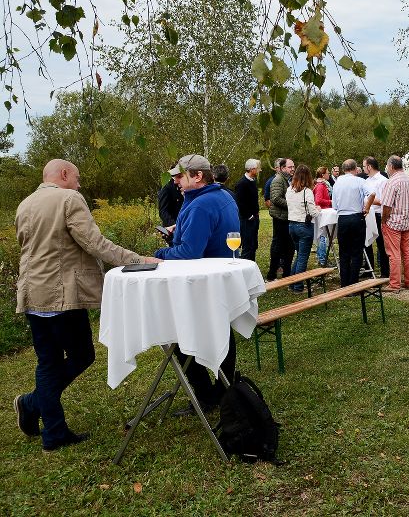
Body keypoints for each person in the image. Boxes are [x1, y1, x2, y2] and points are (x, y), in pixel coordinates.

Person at [13, 159, 159, 452]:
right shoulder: (69, 198)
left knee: (48, 362)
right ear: (64, 174)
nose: (79, 185)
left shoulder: (25, 204)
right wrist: (140, 260)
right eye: (77, 178)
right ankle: (32, 404)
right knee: (82, 355)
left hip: (31, 294)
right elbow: (95, 244)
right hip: (62, 295)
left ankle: (51, 430)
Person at [154, 154, 241, 414]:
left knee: (177, 338)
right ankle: (223, 391)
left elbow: (188, 252)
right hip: (219, 279)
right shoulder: (222, 196)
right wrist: (179, 232)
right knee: (222, 332)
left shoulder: (200, 204)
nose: (176, 181)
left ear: (198, 176)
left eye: (180, 176)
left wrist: (157, 255)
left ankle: (206, 396)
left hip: (200, 285)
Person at [380, 156, 409, 290]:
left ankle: (394, 284)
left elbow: (387, 206)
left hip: (393, 222)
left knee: (394, 253)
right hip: (407, 221)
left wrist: (383, 221)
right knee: (407, 252)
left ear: (391, 166)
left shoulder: (392, 182)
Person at [332, 159, 368, 286]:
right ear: (355, 169)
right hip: (357, 217)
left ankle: (344, 283)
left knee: (344, 252)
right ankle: (353, 282)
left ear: (343, 169)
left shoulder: (337, 183)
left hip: (342, 218)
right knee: (357, 251)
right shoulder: (360, 181)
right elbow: (372, 194)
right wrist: (367, 207)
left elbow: (334, 205)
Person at [286, 164, 321, 292]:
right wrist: (318, 210)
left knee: (299, 255)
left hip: (292, 225)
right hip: (304, 226)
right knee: (302, 257)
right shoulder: (307, 192)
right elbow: (313, 212)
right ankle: (298, 286)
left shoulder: (289, 190)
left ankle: (292, 282)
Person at [266, 158, 295, 281]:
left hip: (287, 217)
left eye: (293, 166)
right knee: (278, 246)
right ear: (283, 168)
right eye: (290, 167)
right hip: (280, 218)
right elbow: (276, 199)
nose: (293, 169)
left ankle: (286, 273)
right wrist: (293, 204)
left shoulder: (289, 180)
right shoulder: (278, 180)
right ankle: (272, 274)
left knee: (289, 246)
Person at [362, 156, 390, 278]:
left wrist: (369, 201)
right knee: (366, 242)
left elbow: (383, 201)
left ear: (369, 167)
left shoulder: (383, 180)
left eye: (364, 166)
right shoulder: (366, 181)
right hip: (367, 214)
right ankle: (369, 269)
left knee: (381, 244)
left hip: (378, 214)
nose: (363, 169)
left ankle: (385, 272)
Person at [234, 159, 261, 261]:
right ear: (252, 169)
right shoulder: (241, 184)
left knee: (253, 245)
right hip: (246, 220)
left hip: (254, 219)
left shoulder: (253, 181)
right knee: (247, 245)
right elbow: (240, 203)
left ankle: (252, 266)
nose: (259, 170)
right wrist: (249, 216)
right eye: (257, 168)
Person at [313, 166, 333, 266]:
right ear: (322, 175)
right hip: (322, 213)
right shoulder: (321, 186)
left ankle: (322, 258)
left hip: (324, 212)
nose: (329, 174)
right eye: (327, 173)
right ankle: (322, 259)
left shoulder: (323, 184)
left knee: (323, 236)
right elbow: (318, 201)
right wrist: (330, 201)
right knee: (322, 236)